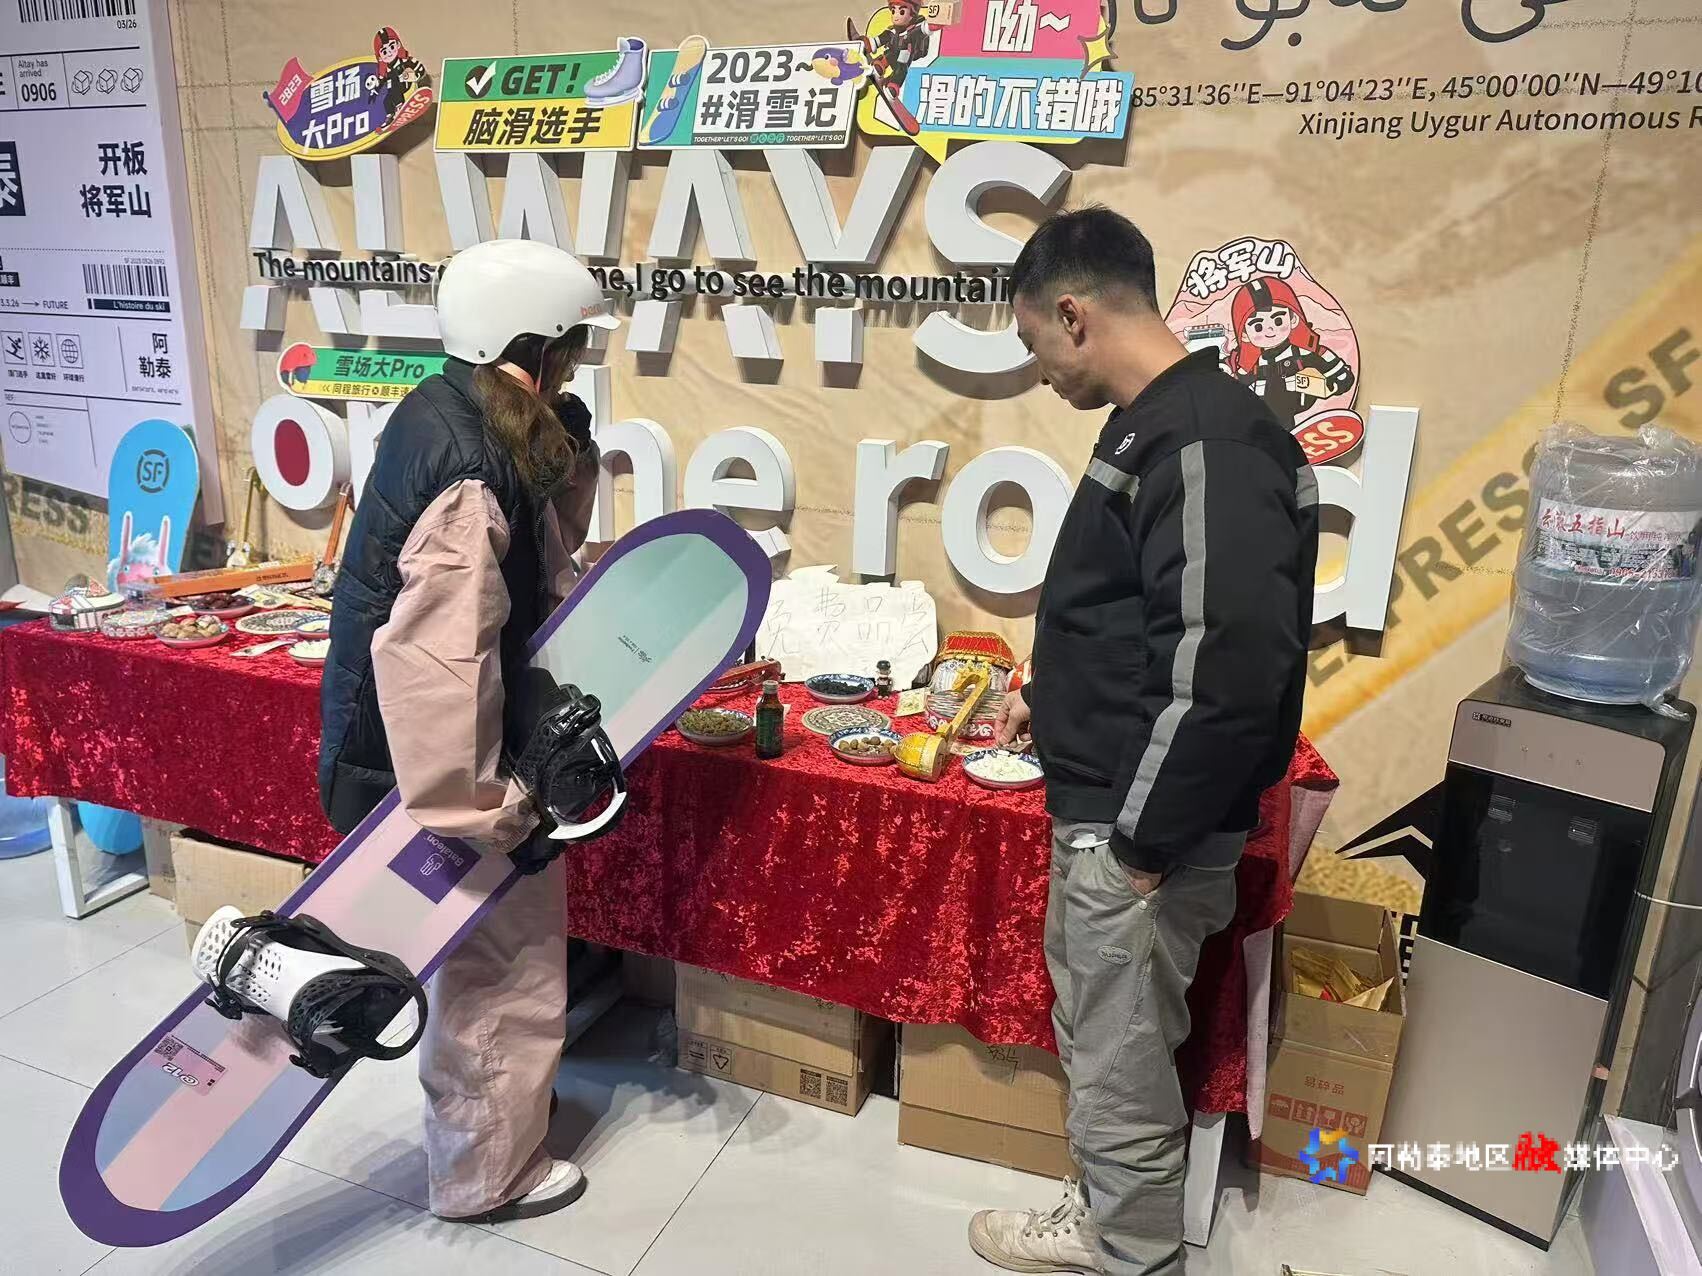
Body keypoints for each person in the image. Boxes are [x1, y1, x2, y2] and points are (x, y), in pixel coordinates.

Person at [969, 208, 1319, 1276]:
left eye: (1034, 341)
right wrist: (1053, 694)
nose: (1039, 371)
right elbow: (1142, 621)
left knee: (1120, 1076)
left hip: (1137, 832)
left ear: (1073, 314)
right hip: (1113, 806)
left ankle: (1133, 1254)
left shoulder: (1204, 438)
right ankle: (1106, 1225)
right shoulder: (1156, 426)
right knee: (1102, 1049)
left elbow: (1226, 669)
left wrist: (1137, 848)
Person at [317, 238, 619, 1224]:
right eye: (571, 348)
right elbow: (440, 662)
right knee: (500, 963)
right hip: (443, 765)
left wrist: (569, 454)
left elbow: (540, 560)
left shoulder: (453, 411)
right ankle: (486, 1172)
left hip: (429, 748)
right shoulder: (468, 469)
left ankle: (499, 1121)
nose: (576, 364)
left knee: (497, 958)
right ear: (533, 344)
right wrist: (487, 812)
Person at [1226, 275, 1355, 431]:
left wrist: (1326, 387)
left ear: (1293, 319)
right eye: (1258, 326)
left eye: (1278, 320)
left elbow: (1344, 377)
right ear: (1245, 334)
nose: (1270, 330)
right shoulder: (1248, 365)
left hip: (1299, 427)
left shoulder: (1307, 354)